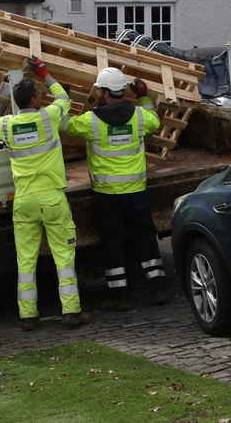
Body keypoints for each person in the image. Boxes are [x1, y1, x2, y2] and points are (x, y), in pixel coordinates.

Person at [0, 58, 91, 330]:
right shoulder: (48, 117)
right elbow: (64, 99)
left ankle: (28, 316)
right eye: (38, 94)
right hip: (52, 198)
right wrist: (46, 74)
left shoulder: (7, 125)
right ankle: (71, 312)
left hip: (25, 200)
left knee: (26, 260)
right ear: (34, 98)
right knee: (63, 258)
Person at [62, 67, 168, 310]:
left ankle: (119, 294)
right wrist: (143, 96)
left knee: (112, 242)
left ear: (105, 92)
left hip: (107, 196)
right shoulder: (140, 116)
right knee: (145, 238)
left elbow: (65, 126)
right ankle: (158, 287)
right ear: (123, 91)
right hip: (136, 192)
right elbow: (155, 121)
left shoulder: (91, 121)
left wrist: (64, 99)